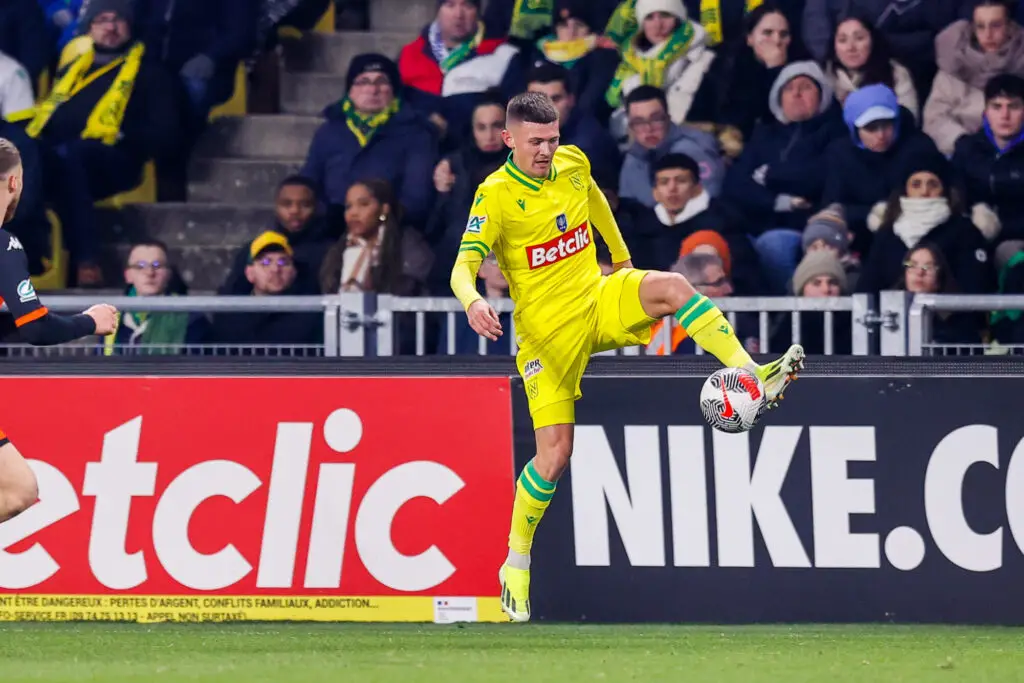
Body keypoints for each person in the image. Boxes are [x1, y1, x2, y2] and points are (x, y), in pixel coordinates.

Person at [449, 92, 805, 623]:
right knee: (555, 456)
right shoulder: (494, 195)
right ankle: (516, 564)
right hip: (547, 337)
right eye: (535, 142)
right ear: (509, 140)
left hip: (595, 298)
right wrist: (474, 300)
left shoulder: (572, 162)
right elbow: (462, 266)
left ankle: (752, 372)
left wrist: (620, 259)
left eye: (552, 140)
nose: (546, 151)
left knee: (673, 286)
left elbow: (594, 198)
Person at [0, 137, 118, 522]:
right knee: (18, 490)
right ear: (15, 182)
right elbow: (37, 328)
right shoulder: (4, 246)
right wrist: (90, 321)